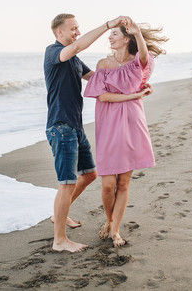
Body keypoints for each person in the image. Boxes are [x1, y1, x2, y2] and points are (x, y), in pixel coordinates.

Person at [44, 13, 130, 253]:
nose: (77, 32)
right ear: (59, 32)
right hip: (61, 127)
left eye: (78, 28)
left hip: (75, 128)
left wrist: (133, 82)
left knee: (90, 174)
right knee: (67, 183)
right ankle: (59, 240)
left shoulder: (74, 60)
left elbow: (97, 78)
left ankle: (57, 216)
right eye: (73, 29)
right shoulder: (53, 53)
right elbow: (79, 45)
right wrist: (107, 26)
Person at [84, 20, 167, 248]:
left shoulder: (139, 63)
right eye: (109, 34)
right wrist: (133, 96)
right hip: (109, 124)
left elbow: (142, 54)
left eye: (114, 34)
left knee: (123, 184)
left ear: (126, 38)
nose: (110, 38)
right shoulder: (103, 64)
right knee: (108, 184)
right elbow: (103, 97)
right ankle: (110, 220)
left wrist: (138, 32)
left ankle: (116, 229)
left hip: (131, 123)